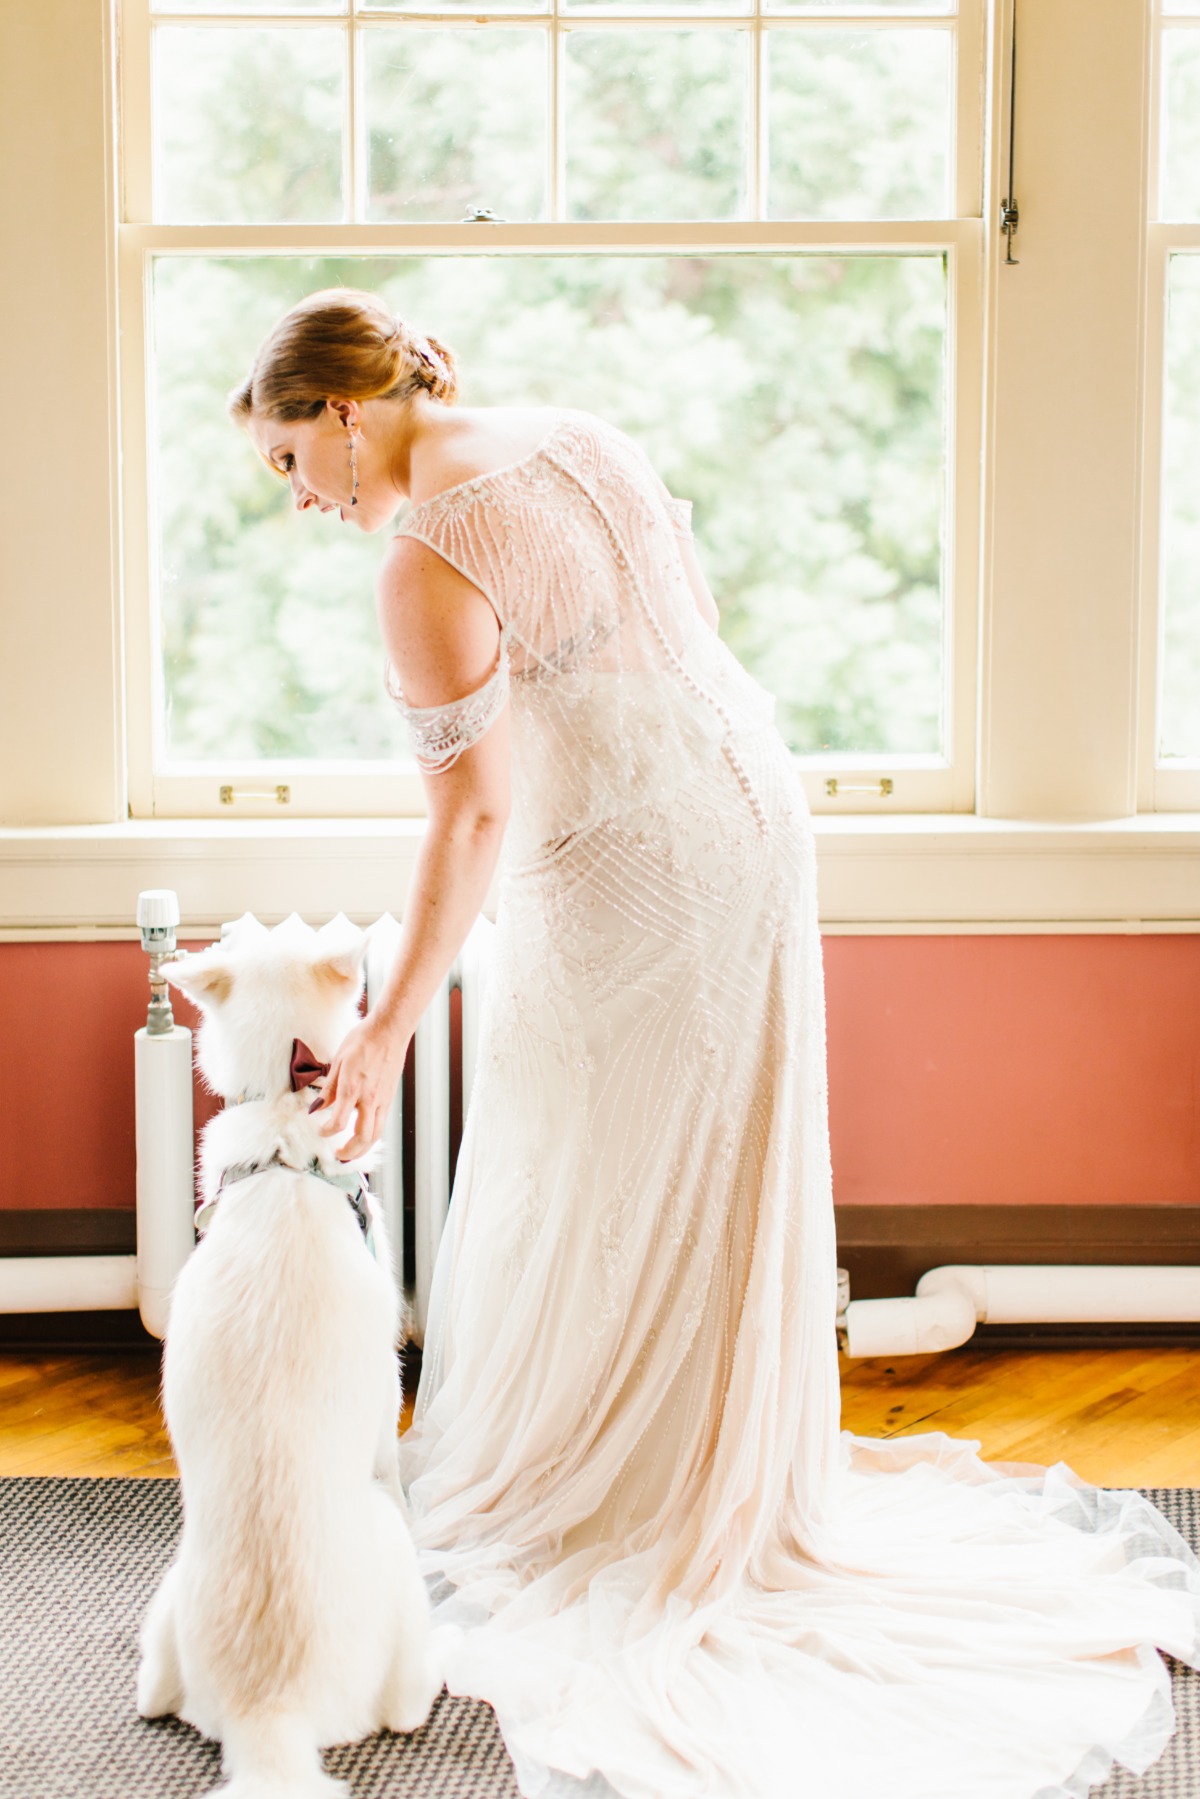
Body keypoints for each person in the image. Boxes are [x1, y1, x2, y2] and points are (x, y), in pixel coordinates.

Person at [231, 287, 1200, 1799]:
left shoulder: (429, 556)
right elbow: (684, 634)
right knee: (680, 1174)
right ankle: (699, 1485)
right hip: (747, 812)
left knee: (594, 1180)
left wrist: (386, 1029)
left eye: (293, 464)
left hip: (626, 876)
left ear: (347, 415)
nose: (300, 502)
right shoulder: (573, 437)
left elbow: (475, 815)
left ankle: (636, 1510)